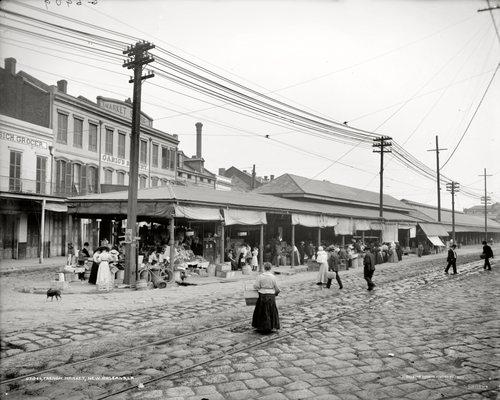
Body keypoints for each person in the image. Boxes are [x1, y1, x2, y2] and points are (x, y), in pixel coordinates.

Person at [252, 262, 280, 333]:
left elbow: (256, 286)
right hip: (271, 295)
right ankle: (271, 326)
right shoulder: (273, 277)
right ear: (270, 268)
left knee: (261, 311)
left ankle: (261, 326)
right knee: (271, 311)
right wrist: (276, 293)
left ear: (264, 268)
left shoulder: (260, 276)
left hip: (262, 295)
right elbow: (276, 288)